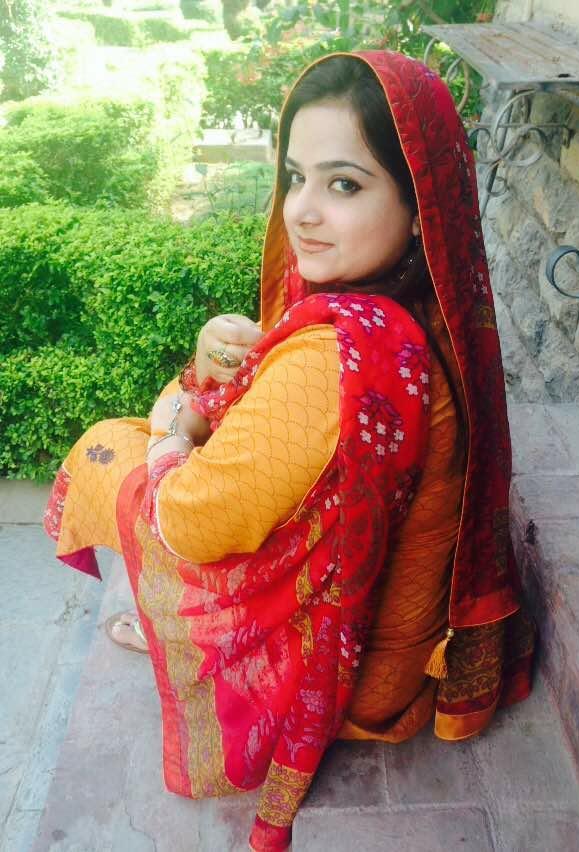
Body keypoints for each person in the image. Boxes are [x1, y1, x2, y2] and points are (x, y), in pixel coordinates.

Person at [44, 51, 536, 852]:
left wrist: (177, 424)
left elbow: (191, 524)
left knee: (111, 450)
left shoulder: (333, 357)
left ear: (418, 207)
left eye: (344, 184)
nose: (302, 211)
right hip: (391, 635)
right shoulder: (413, 308)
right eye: (295, 176)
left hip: (355, 675)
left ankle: (187, 638)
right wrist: (216, 371)